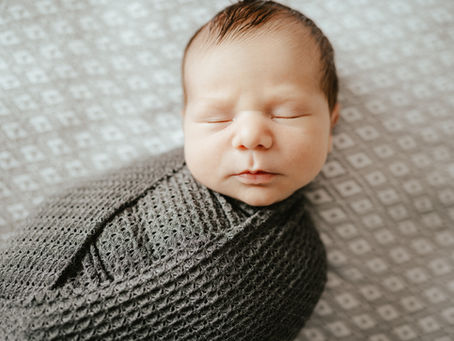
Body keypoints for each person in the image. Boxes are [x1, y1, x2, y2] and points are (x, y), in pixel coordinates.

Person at [0, 1, 339, 340]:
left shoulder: (295, 269)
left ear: (331, 124)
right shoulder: (147, 175)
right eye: (217, 118)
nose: (251, 137)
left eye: (287, 113)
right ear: (186, 124)